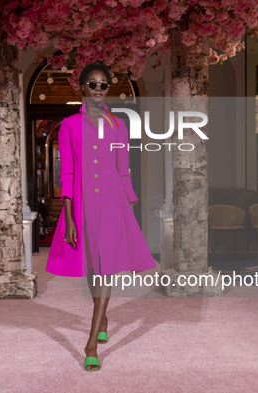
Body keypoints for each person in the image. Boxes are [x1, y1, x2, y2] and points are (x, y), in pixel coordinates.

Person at [46, 63, 157, 371]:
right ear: (82, 87)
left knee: (107, 270)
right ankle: (104, 316)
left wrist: (130, 206)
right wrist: (68, 218)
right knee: (92, 269)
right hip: (81, 207)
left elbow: (124, 169)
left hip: (113, 206)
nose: (98, 90)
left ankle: (91, 343)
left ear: (109, 88)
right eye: (92, 85)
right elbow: (67, 172)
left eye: (103, 85)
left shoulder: (119, 124)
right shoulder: (68, 124)